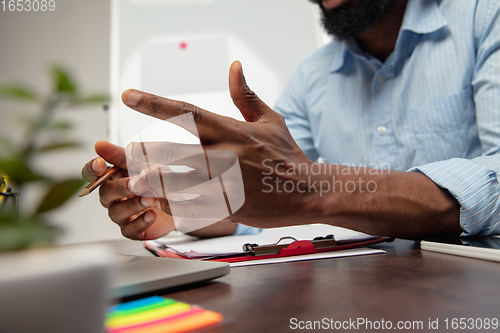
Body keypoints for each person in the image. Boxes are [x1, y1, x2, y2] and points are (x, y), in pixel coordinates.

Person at [82, 0, 500, 240]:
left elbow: (300, 189)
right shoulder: (310, 77)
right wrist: (177, 207)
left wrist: (315, 189)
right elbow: (275, 199)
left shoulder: (485, 18)